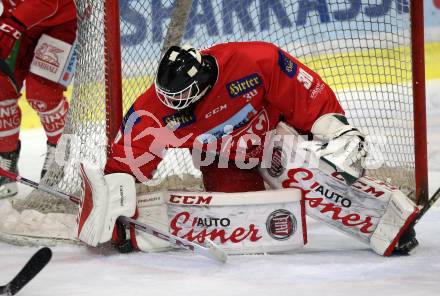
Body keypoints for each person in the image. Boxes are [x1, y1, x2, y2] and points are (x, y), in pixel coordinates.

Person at [77, 42, 418, 255]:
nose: (172, 105)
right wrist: (114, 202)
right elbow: (126, 158)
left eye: (180, 98)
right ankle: (138, 233)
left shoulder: (253, 61)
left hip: (272, 139)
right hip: (223, 160)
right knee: (238, 221)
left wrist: (337, 131)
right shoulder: (155, 109)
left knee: (310, 177)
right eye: (168, 97)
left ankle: (389, 220)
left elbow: (305, 94)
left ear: (202, 83)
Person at [0, 0, 77, 198]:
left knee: (42, 92)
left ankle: (58, 153)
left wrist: (12, 27)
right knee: (1, 87)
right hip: (17, 20)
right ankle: (5, 162)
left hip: (61, 23)